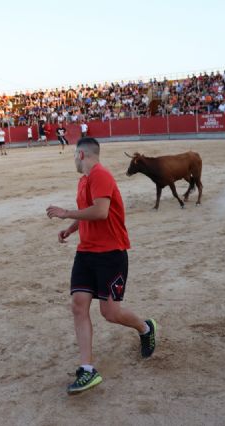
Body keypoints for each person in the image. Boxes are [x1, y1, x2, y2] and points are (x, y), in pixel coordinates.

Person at [46, 137, 157, 395]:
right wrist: (71, 228)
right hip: (86, 252)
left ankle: (146, 327)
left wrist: (66, 213)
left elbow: (100, 212)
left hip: (111, 254)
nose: (73, 160)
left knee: (110, 313)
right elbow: (88, 211)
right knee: (78, 306)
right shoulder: (84, 180)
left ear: (81, 155)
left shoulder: (101, 175)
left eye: (74, 156)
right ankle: (87, 369)